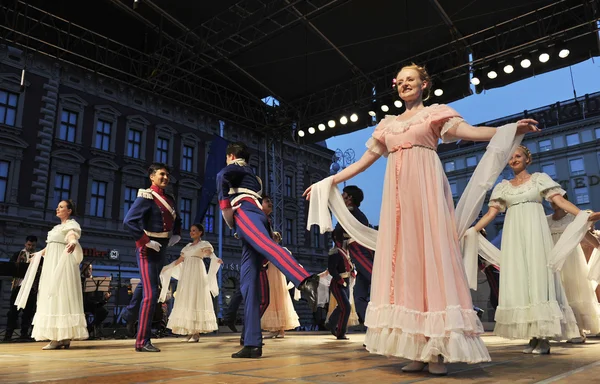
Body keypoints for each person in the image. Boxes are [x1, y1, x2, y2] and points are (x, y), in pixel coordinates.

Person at [304, 64, 541, 375]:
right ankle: (416, 348)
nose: (405, 85)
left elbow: (470, 133)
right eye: (400, 81)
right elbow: (362, 164)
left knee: (432, 261)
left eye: (411, 80)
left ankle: (437, 352)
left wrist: (509, 130)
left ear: (424, 84)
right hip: (399, 202)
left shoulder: (434, 114)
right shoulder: (387, 126)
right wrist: (329, 182)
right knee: (408, 266)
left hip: (426, 194)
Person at [473, 146, 600, 354]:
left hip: (535, 234)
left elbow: (560, 201)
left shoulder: (539, 179)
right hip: (515, 235)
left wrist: (582, 215)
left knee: (538, 278)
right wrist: (472, 231)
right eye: (511, 157)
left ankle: (543, 338)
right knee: (522, 280)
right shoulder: (503, 187)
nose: (514, 160)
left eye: (518, 156)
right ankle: (533, 336)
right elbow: (490, 214)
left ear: (527, 159)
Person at [217, 142, 319, 359]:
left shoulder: (237, 167)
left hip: (244, 211)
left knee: (267, 248)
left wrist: (226, 210)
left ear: (231, 156)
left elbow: (220, 177)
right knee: (248, 286)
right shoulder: (254, 176)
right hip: (256, 214)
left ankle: (305, 279)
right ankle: (252, 343)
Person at [123, 163, 182, 352]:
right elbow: (129, 221)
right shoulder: (146, 196)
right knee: (151, 294)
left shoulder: (169, 198)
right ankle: (142, 341)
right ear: (152, 177)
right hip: (147, 248)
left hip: (162, 247)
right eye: (161, 174)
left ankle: (129, 313)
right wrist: (145, 240)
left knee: (150, 286)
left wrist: (176, 233)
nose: (165, 178)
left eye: (167, 175)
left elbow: (177, 218)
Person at [31, 200, 88, 349]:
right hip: (52, 263)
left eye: (61, 207)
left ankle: (59, 338)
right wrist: (39, 253)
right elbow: (51, 245)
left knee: (61, 295)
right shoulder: (57, 227)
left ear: (69, 211)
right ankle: (62, 337)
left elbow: (71, 236)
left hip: (62, 264)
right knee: (56, 296)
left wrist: (73, 242)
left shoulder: (71, 224)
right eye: (57, 206)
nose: (57, 209)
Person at [547, 196, 600, 343]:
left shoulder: (573, 218)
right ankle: (561, 330)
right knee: (559, 291)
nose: (553, 203)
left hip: (571, 258)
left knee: (575, 289)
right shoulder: (546, 220)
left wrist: (598, 245)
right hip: (554, 258)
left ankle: (578, 330)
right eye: (551, 201)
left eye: (556, 200)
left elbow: (584, 234)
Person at [166, 223, 222, 341]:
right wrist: (168, 267)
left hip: (197, 272)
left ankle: (196, 333)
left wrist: (215, 259)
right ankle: (189, 331)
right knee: (187, 299)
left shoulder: (204, 244)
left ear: (200, 232)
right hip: (187, 274)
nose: (192, 232)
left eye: (194, 230)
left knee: (196, 298)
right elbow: (180, 260)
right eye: (191, 230)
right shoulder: (187, 247)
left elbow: (210, 254)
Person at [332, 186, 373, 325]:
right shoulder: (357, 214)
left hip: (361, 252)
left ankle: (382, 325)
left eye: (343, 196)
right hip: (358, 254)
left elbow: (337, 232)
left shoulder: (350, 212)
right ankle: (372, 329)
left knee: (376, 282)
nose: (341, 198)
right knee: (358, 295)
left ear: (349, 198)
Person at [261, 231, 300, 338]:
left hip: (278, 276)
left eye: (274, 237)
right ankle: (278, 329)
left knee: (277, 298)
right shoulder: (271, 250)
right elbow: (264, 262)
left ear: (278, 239)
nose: (273, 239)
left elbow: (290, 261)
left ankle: (278, 329)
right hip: (273, 275)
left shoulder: (279, 250)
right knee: (275, 298)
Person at [4, 235, 38, 341]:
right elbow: (10, 268)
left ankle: (24, 334)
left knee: (28, 312)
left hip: (31, 288)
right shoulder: (17, 254)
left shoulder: (38, 257)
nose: (30, 247)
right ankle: (8, 335)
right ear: (25, 244)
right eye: (29, 244)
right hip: (19, 286)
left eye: (33, 245)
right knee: (13, 312)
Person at [80, 263, 111, 339]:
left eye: (90, 269)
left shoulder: (96, 281)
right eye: (87, 269)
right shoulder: (80, 280)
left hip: (93, 304)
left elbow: (99, 296)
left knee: (104, 311)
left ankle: (90, 328)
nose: (89, 271)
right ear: (83, 270)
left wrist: (105, 298)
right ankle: (86, 331)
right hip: (82, 304)